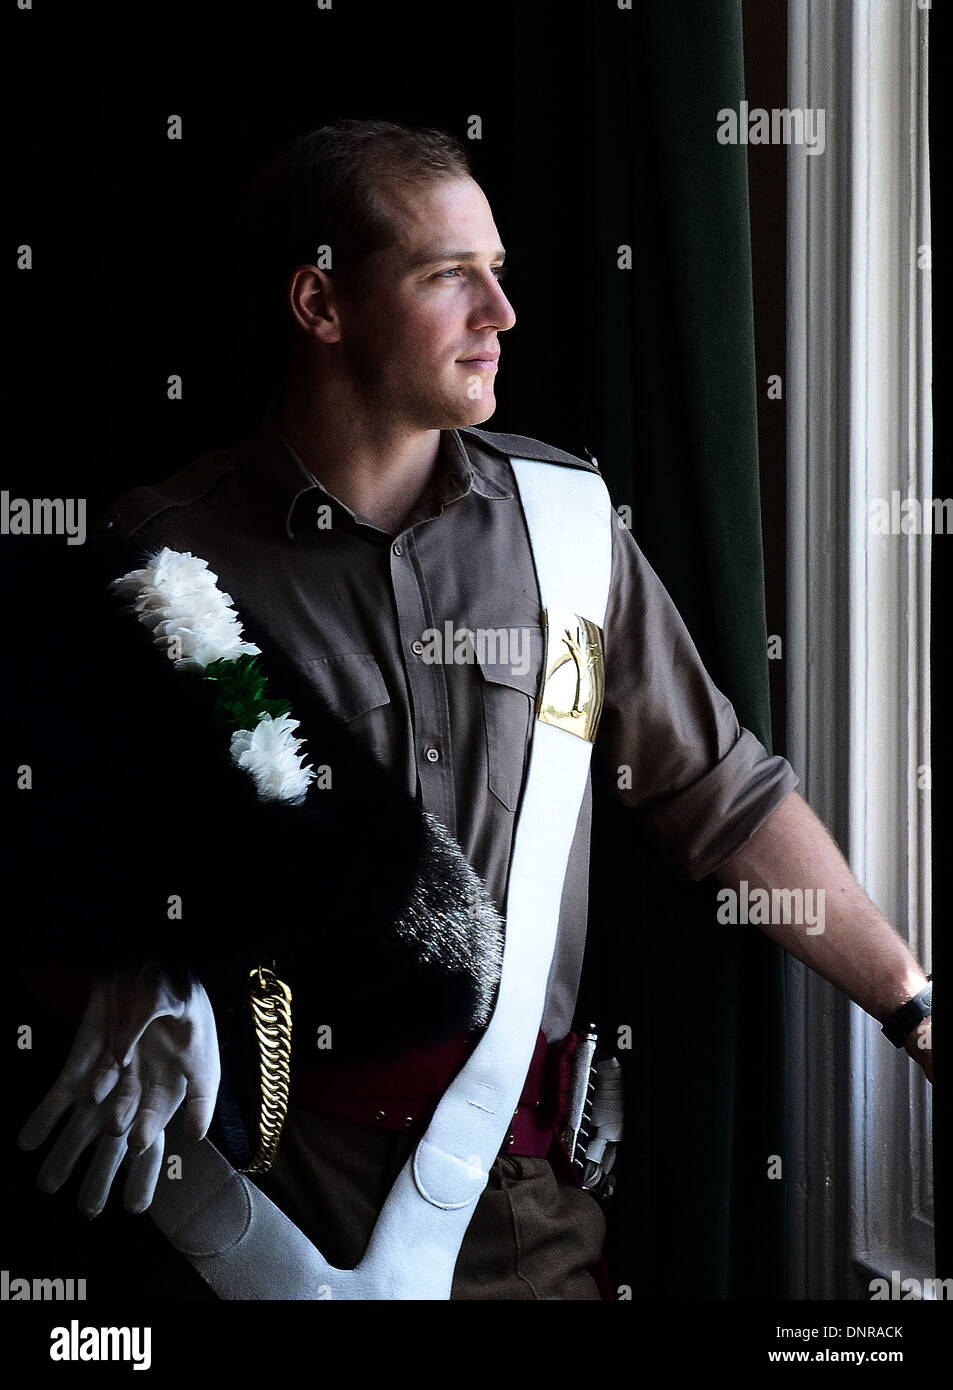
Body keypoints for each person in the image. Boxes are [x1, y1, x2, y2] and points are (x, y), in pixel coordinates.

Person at [17, 118, 932, 1301]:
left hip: (522, 1209)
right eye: (451, 276)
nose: (499, 313)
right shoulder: (161, 562)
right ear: (321, 304)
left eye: (497, 273)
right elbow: (52, 864)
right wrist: (118, 966)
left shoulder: (564, 528)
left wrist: (910, 1006)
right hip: (253, 1209)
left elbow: (717, 793)